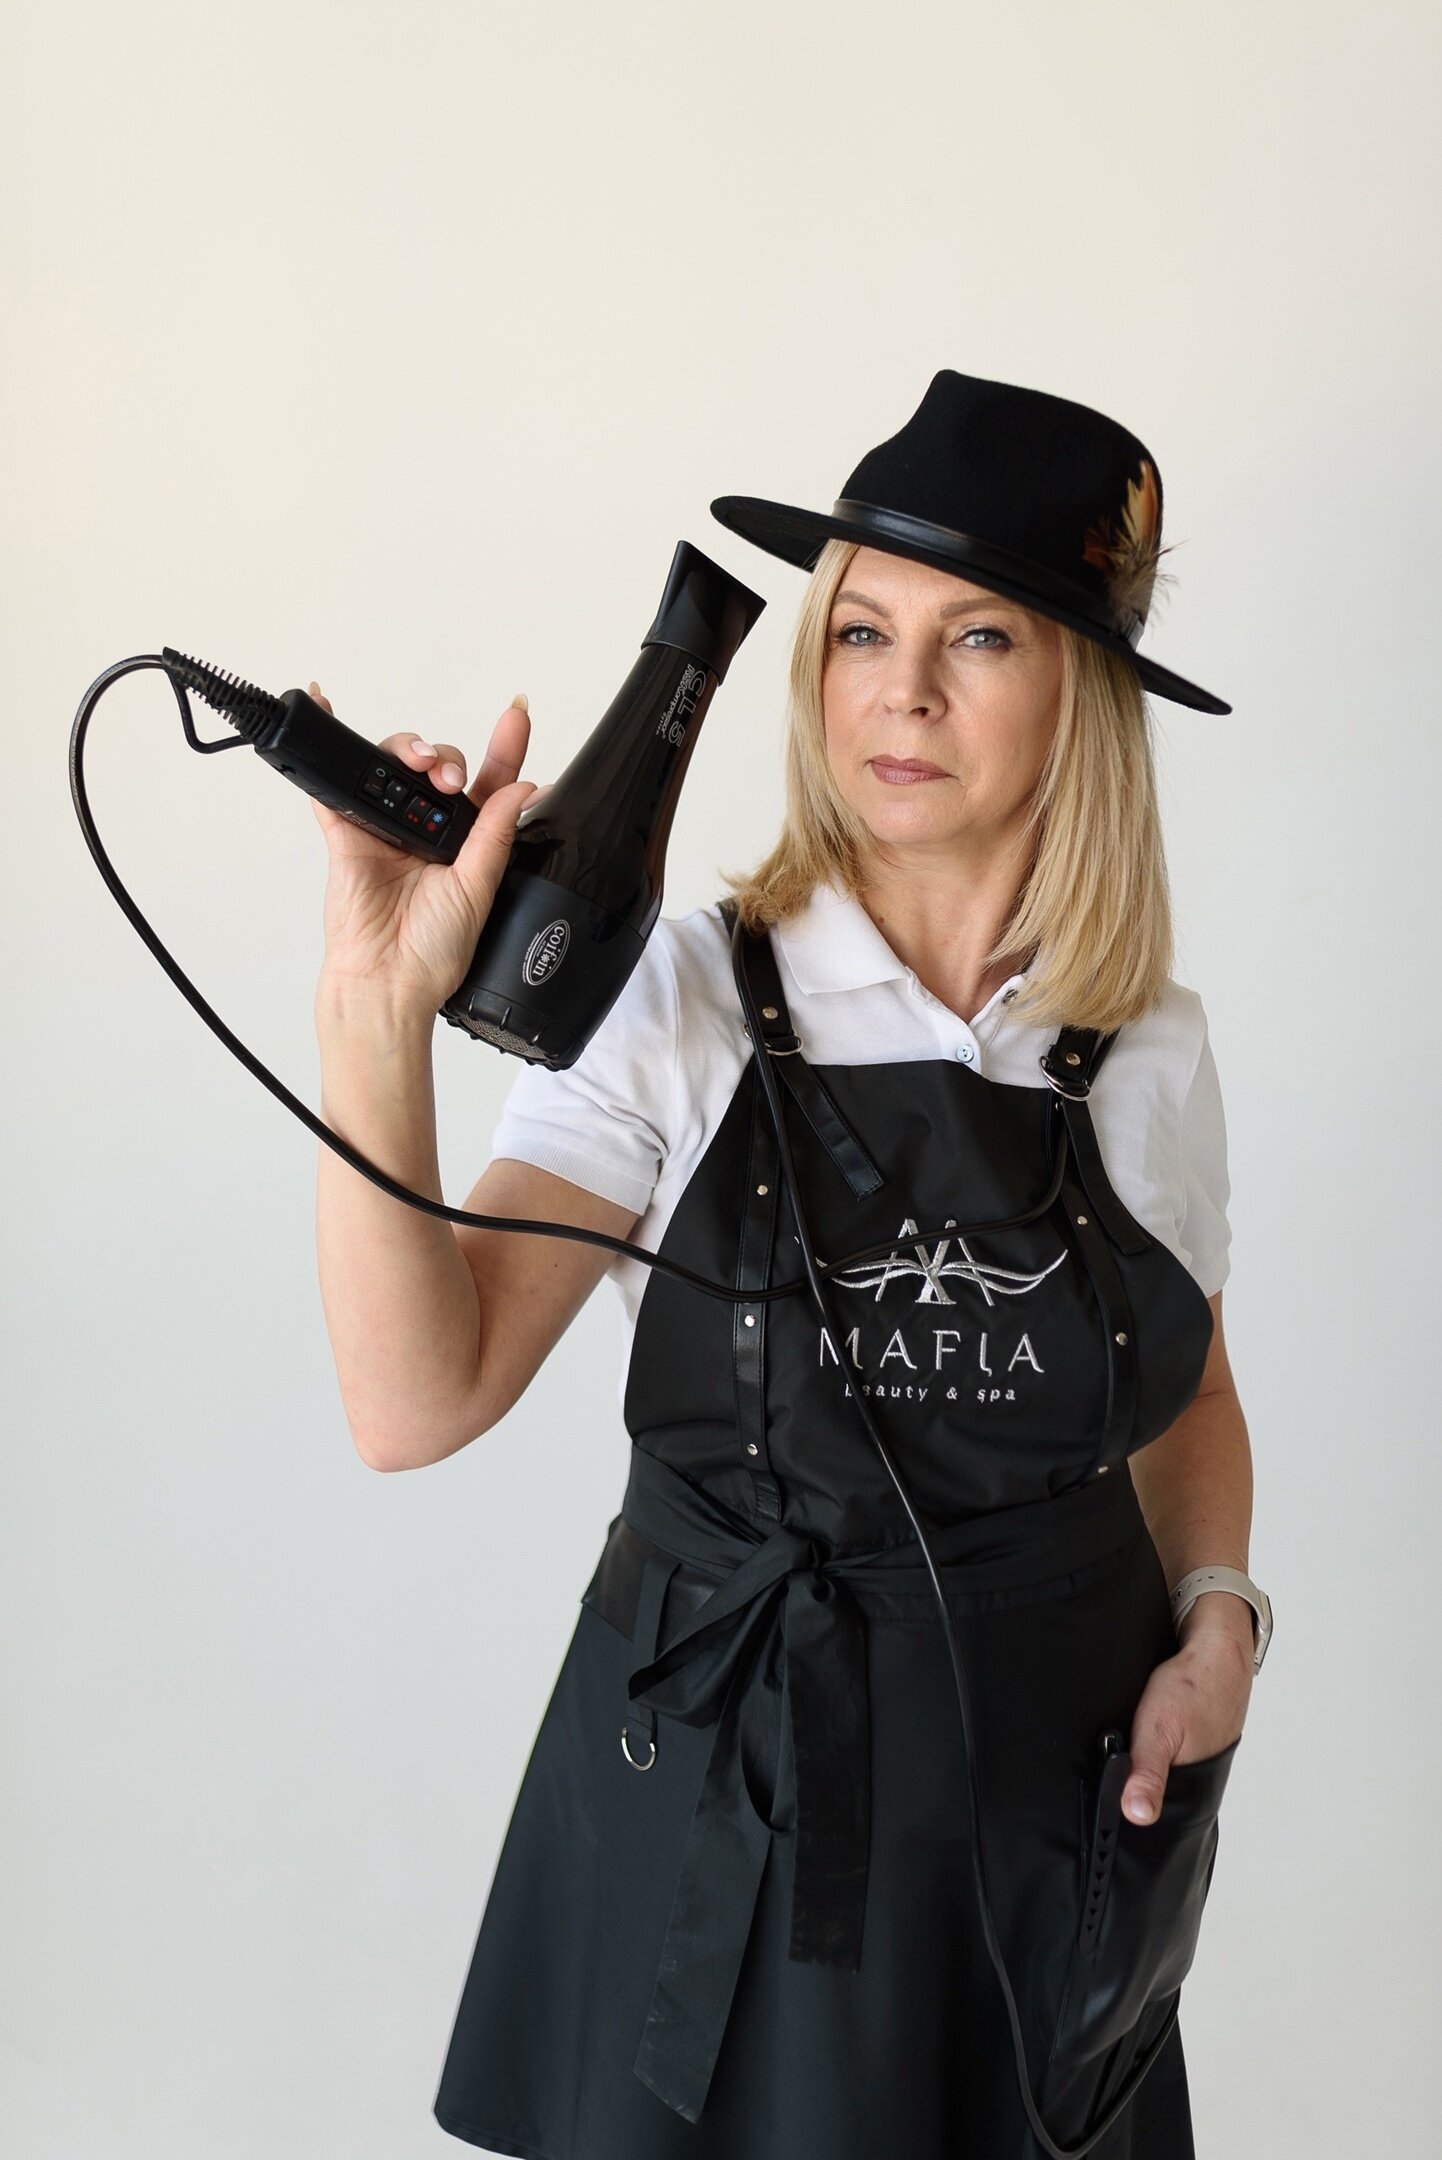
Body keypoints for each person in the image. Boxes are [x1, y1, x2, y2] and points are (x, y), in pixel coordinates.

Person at [309, 368, 1272, 2160]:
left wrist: (1219, 1615)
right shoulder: (673, 996)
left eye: (977, 636)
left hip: (1043, 1830)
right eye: (859, 631)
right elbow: (413, 1401)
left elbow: (1187, 1391)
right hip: (720, 1811)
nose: (900, 691)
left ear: (1082, 692)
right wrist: (372, 1009)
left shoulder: (1150, 1043)